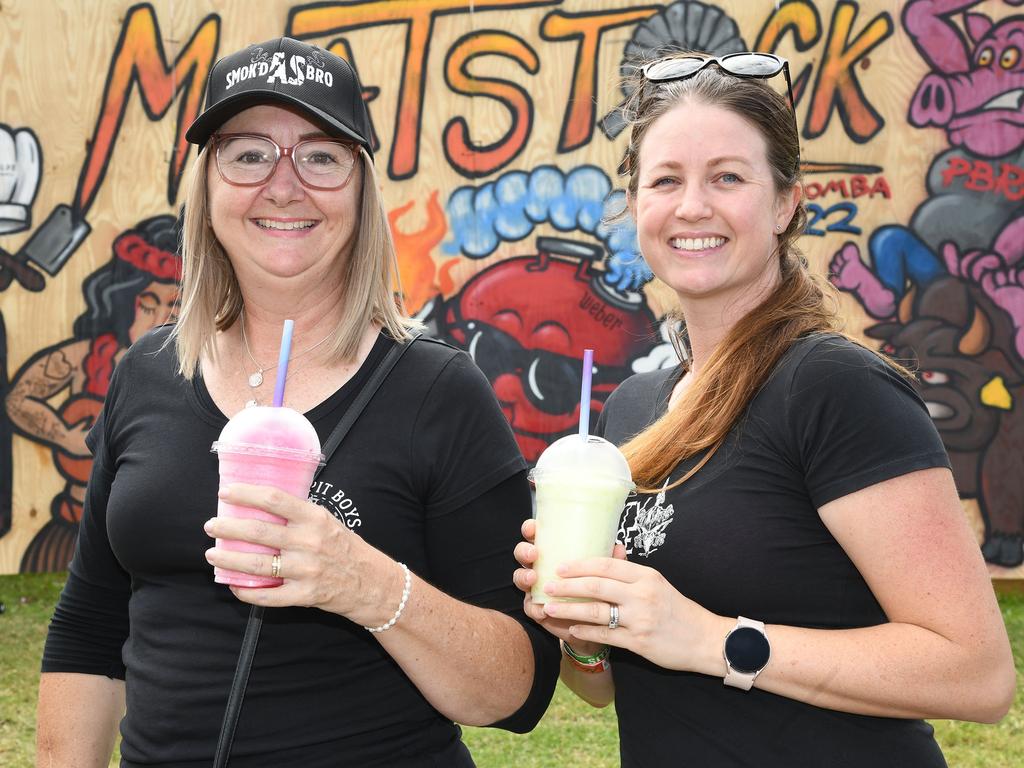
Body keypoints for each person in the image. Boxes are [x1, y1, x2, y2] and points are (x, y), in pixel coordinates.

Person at [38, 37, 558, 767]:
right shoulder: (146, 373)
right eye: (248, 153)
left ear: (360, 188)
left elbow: (518, 690)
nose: (283, 186)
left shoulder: (438, 392)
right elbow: (90, 628)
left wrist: (367, 585)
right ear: (208, 185)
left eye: (321, 155)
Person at [513, 52, 1016, 766]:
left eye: (727, 177)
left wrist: (710, 639)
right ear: (634, 208)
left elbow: (976, 674)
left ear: (784, 203)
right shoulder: (635, 407)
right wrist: (584, 631)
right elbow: (613, 690)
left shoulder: (833, 388)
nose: (692, 206)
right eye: (665, 180)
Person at [6, 214, 180, 572]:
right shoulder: (85, 356)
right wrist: (65, 436)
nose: (159, 320)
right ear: (124, 299)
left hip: (160, 539)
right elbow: (19, 398)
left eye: (174, 308)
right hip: (74, 528)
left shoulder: (202, 369)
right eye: (148, 305)